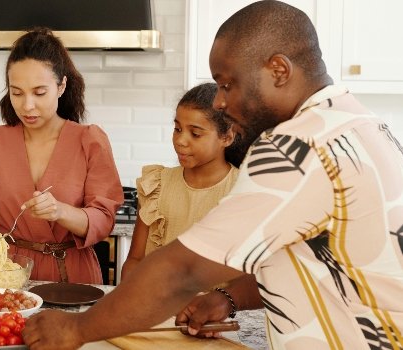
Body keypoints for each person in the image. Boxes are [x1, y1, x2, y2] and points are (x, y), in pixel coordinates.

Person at [22, 1, 403, 349]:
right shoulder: (359, 123)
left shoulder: (296, 147)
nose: (220, 100)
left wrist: (75, 329)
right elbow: (311, 257)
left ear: (279, 70)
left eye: (227, 84)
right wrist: (228, 298)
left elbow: (183, 272)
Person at [0, 27, 123, 284]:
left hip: (74, 277)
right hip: (8, 273)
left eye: (39, 92)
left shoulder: (90, 140)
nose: (27, 105)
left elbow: (104, 220)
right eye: (17, 93)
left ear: (61, 85)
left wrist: (60, 211)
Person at [120, 83, 239, 282]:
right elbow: (135, 260)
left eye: (195, 134)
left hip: (213, 312)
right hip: (155, 307)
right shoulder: (157, 185)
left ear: (226, 137)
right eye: (177, 129)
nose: (180, 140)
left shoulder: (241, 191)